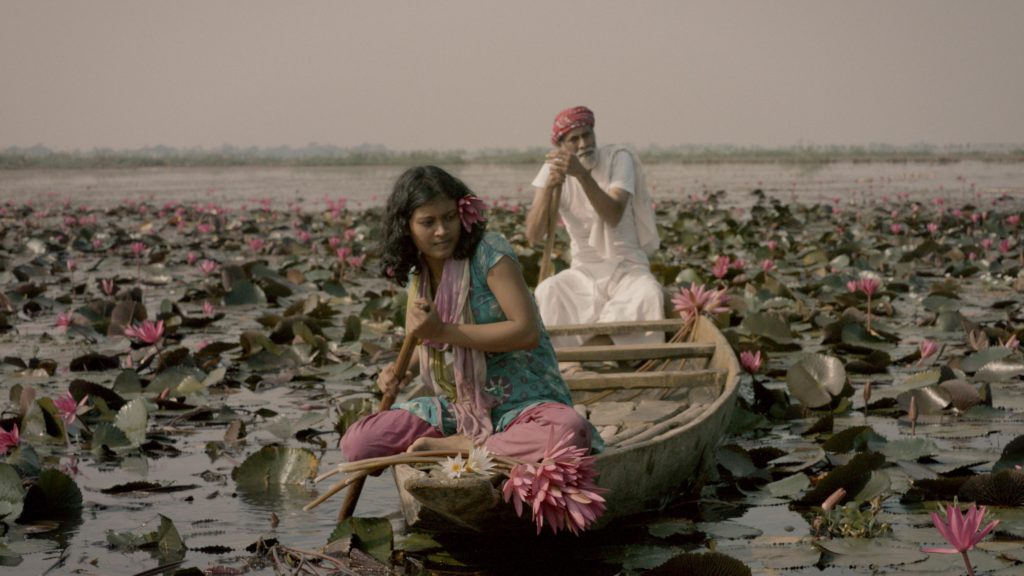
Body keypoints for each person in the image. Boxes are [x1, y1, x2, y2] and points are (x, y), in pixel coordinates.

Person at [341, 165, 598, 464]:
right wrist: (400, 371)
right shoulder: (418, 272)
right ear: (407, 227)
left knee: (571, 431)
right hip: (460, 407)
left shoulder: (489, 253)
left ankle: (465, 447)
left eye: (449, 217)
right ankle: (475, 442)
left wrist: (443, 332)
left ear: (462, 213)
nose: (442, 230)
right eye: (428, 222)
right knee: (358, 443)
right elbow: (427, 338)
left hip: (524, 403)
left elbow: (526, 332)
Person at [525, 106, 665, 361]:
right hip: (585, 270)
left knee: (649, 294)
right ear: (561, 146)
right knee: (548, 291)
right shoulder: (553, 167)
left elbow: (613, 214)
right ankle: (582, 360)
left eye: (587, 135)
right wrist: (547, 189)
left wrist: (580, 174)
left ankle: (578, 358)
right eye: (573, 139)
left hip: (628, 267)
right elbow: (534, 235)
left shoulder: (618, 158)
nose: (583, 144)